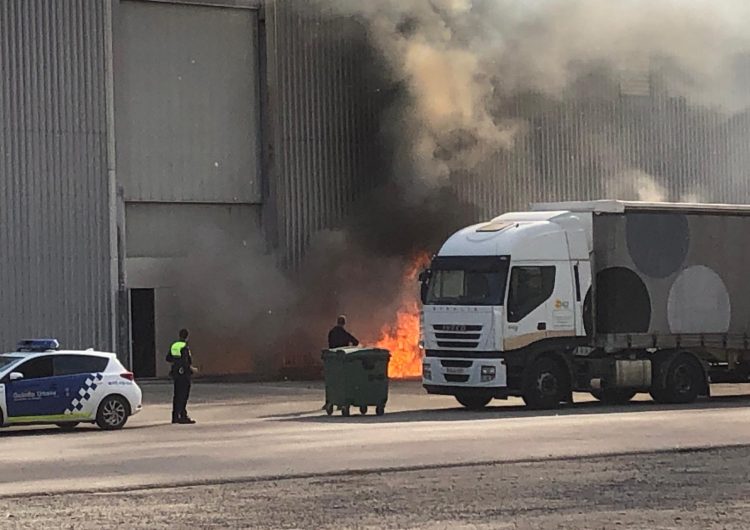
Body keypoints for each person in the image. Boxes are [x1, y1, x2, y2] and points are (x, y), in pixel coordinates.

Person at [166, 328, 196, 424]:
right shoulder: (185, 347)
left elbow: (168, 358)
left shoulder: (174, 345)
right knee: (184, 395)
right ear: (187, 337)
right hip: (184, 375)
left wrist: (176, 363)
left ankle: (175, 416)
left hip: (176, 373)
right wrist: (192, 369)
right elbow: (186, 362)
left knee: (177, 395)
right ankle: (183, 416)